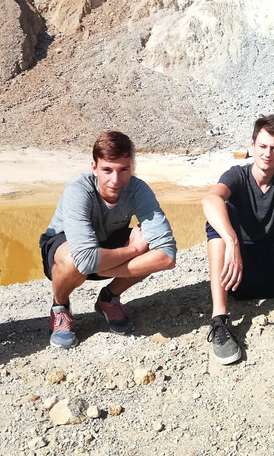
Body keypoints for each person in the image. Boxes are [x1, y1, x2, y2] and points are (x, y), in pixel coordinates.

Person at [38, 130, 176, 348]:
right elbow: (83, 260)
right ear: (94, 167)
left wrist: (99, 266)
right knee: (75, 260)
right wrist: (132, 251)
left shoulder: (138, 189)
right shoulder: (79, 189)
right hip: (65, 247)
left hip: (104, 246)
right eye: (107, 170)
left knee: (150, 246)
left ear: (132, 167)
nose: (115, 180)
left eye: (123, 170)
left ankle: (108, 298)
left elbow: (167, 255)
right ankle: (60, 306)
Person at [203, 115, 274, 365]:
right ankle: (219, 320)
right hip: (238, 276)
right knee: (220, 214)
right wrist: (232, 242)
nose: (268, 153)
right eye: (263, 146)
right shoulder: (238, 176)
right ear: (252, 146)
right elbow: (210, 200)